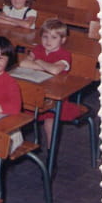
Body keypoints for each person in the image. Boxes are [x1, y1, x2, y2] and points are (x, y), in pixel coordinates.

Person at [19, 18, 80, 147]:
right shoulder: (39, 49)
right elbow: (23, 63)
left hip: (56, 98)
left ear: (63, 40)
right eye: (45, 37)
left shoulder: (64, 54)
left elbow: (55, 70)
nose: (48, 41)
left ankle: (50, 150)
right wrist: (45, 66)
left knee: (49, 121)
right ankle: (17, 144)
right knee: (18, 109)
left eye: (54, 37)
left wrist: (38, 61)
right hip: (38, 91)